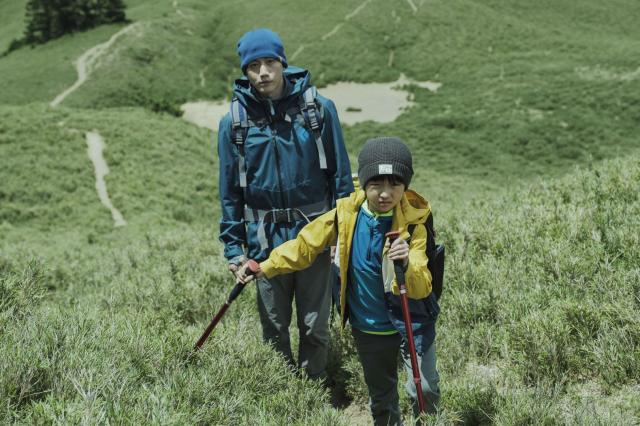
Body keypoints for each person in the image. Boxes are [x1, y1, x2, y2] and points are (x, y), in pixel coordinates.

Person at [238, 137, 441, 425]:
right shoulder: (346, 215)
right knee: (382, 399)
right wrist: (267, 266)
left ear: (405, 185)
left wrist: (406, 263)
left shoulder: (415, 224)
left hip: (413, 322)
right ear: (365, 182)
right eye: (376, 184)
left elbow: (421, 285)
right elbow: (305, 244)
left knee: (424, 390)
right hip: (369, 326)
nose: (385, 193)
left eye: (394, 184)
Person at [217, 28, 353, 381]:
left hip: (315, 234)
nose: (263, 72)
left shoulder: (319, 110)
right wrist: (235, 251)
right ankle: (281, 399)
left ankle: (313, 394)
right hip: (263, 242)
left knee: (314, 326)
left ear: (282, 63)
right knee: (274, 330)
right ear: (245, 71)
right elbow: (230, 192)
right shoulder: (233, 123)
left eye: (269, 63)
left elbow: (340, 175)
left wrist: (344, 232)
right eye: (254, 65)